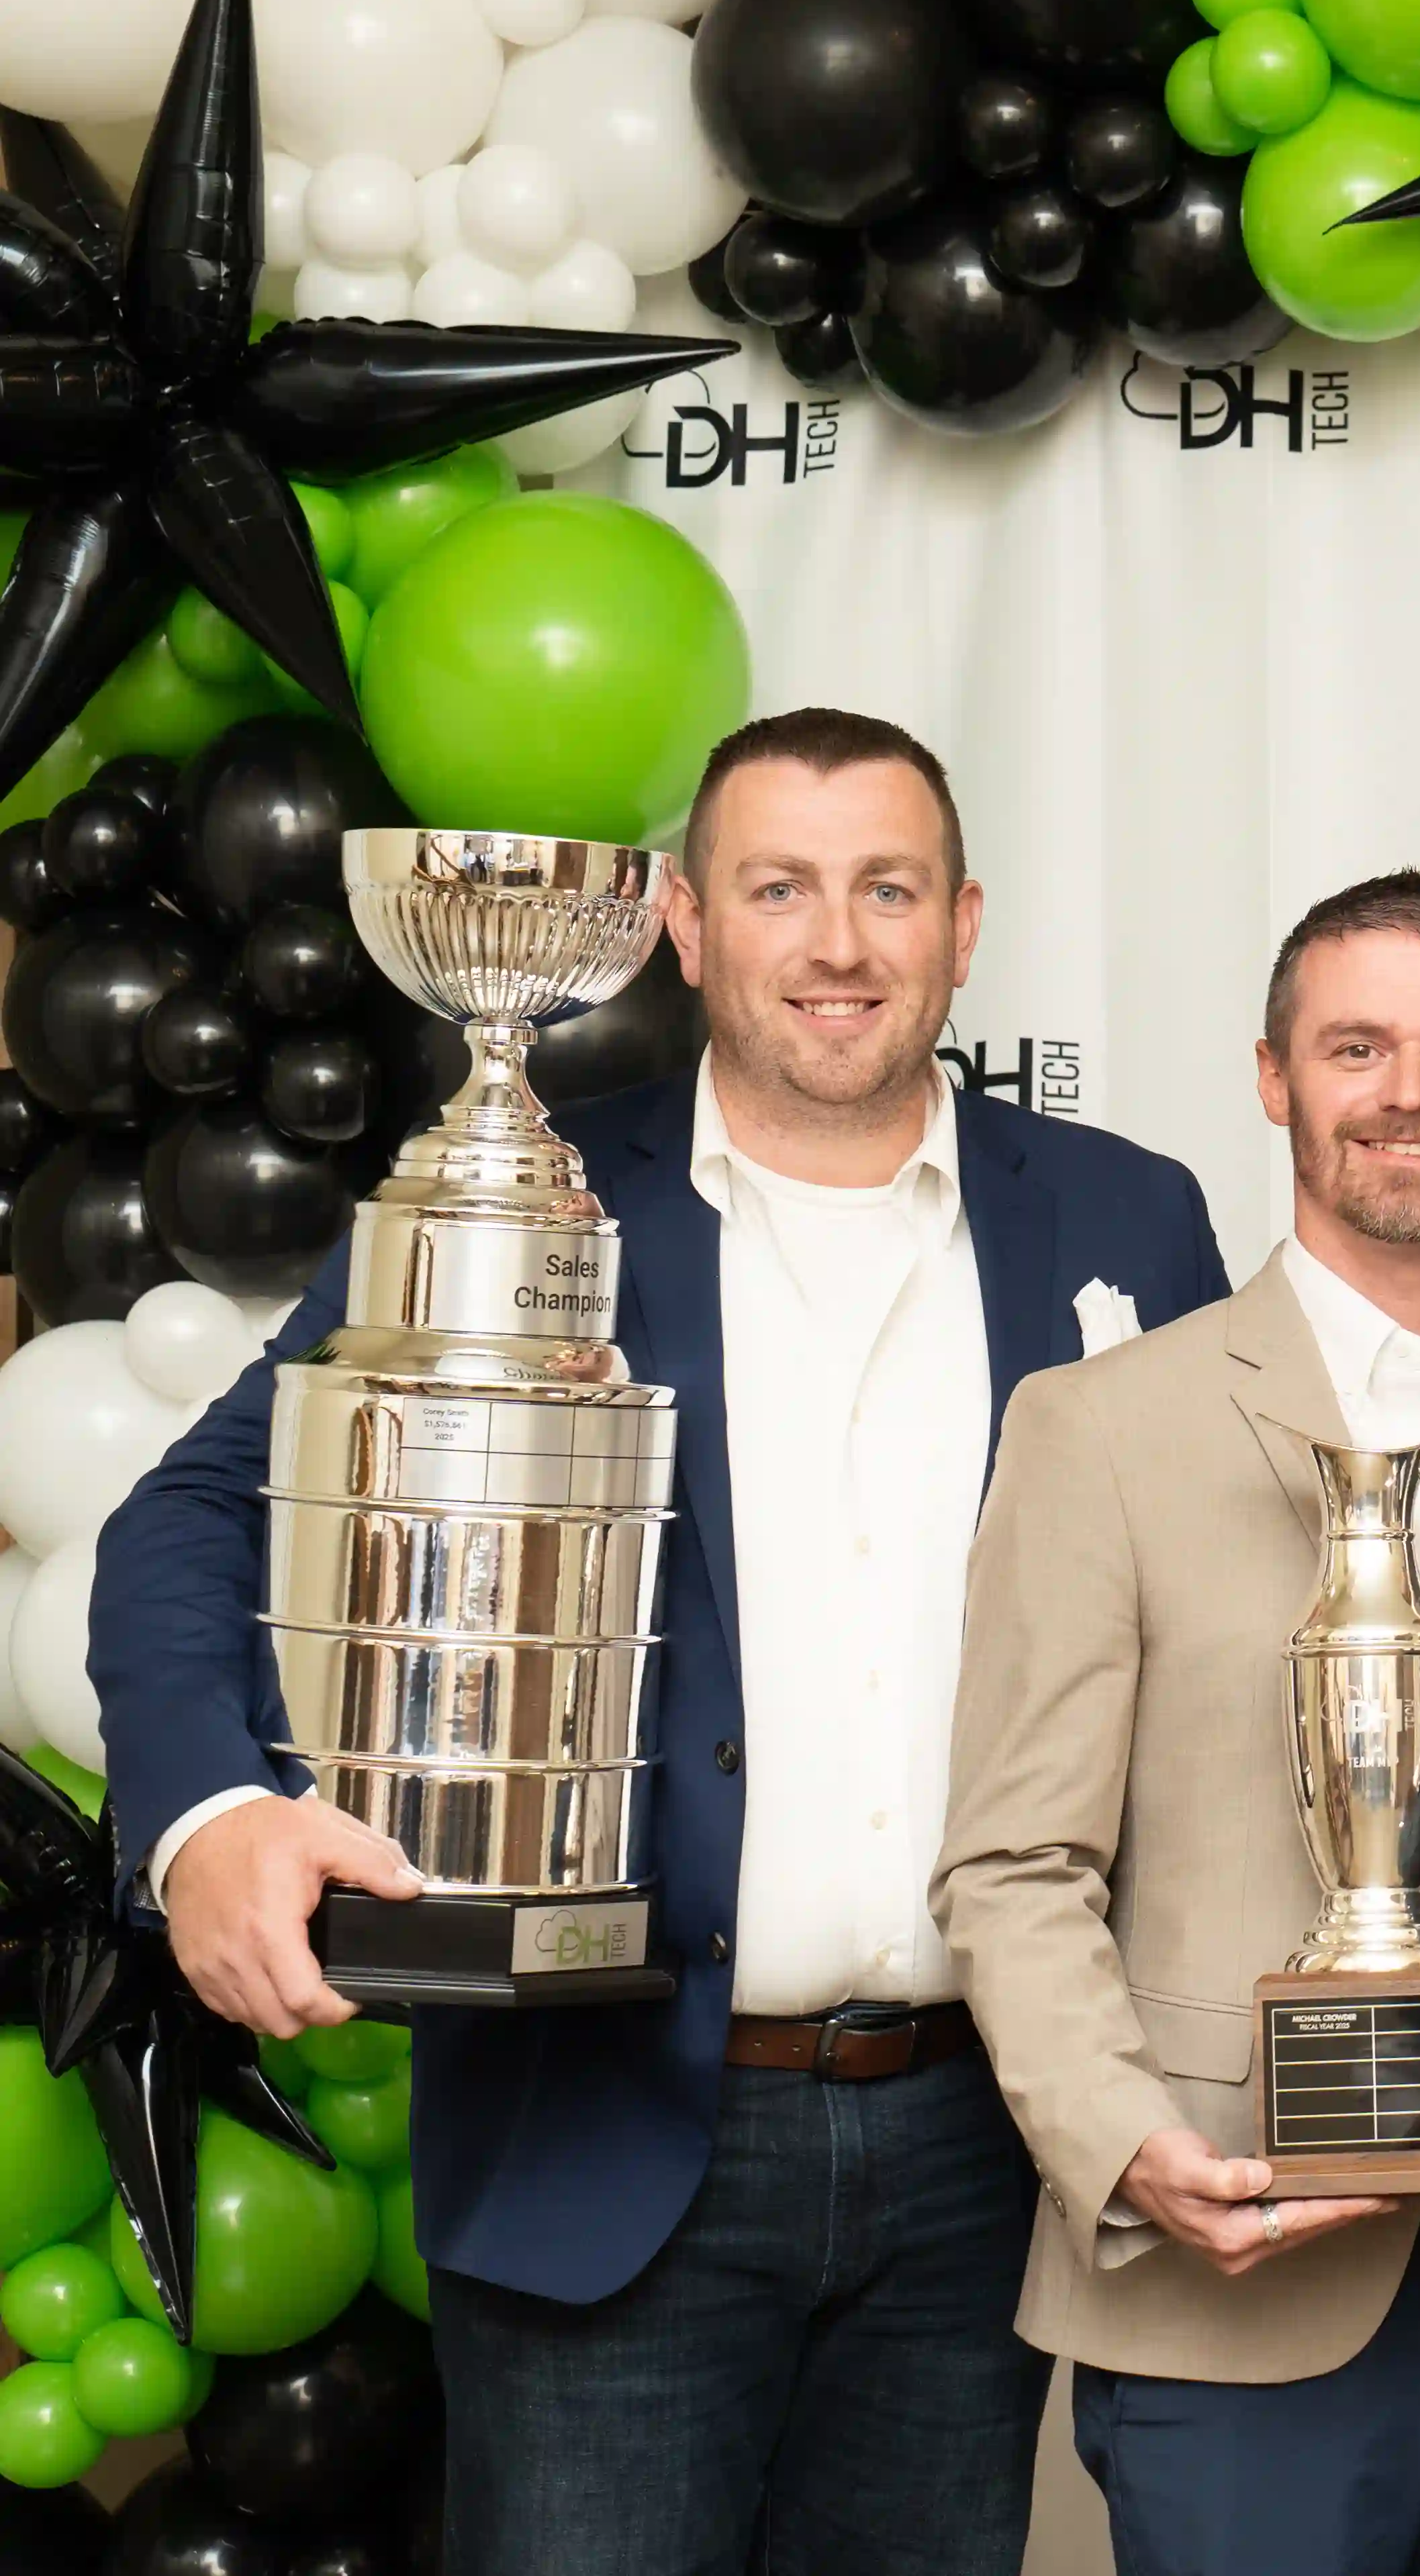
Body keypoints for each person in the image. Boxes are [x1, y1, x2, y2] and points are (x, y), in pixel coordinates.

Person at [91, 707, 1231, 2574]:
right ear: (687, 926)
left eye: (887, 887)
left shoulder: (1124, 1218)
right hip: (601, 2132)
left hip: (980, 2143)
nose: (838, 943)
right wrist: (212, 1806)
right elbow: (195, 1515)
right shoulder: (524, 1192)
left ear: (965, 922)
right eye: (779, 887)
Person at [935, 871, 1420, 2576]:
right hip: (1243, 2274)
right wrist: (1126, 2152)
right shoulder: (1099, 1430)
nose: (1408, 1091)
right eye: (1358, 1047)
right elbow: (1013, 1860)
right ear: (1274, 1079)